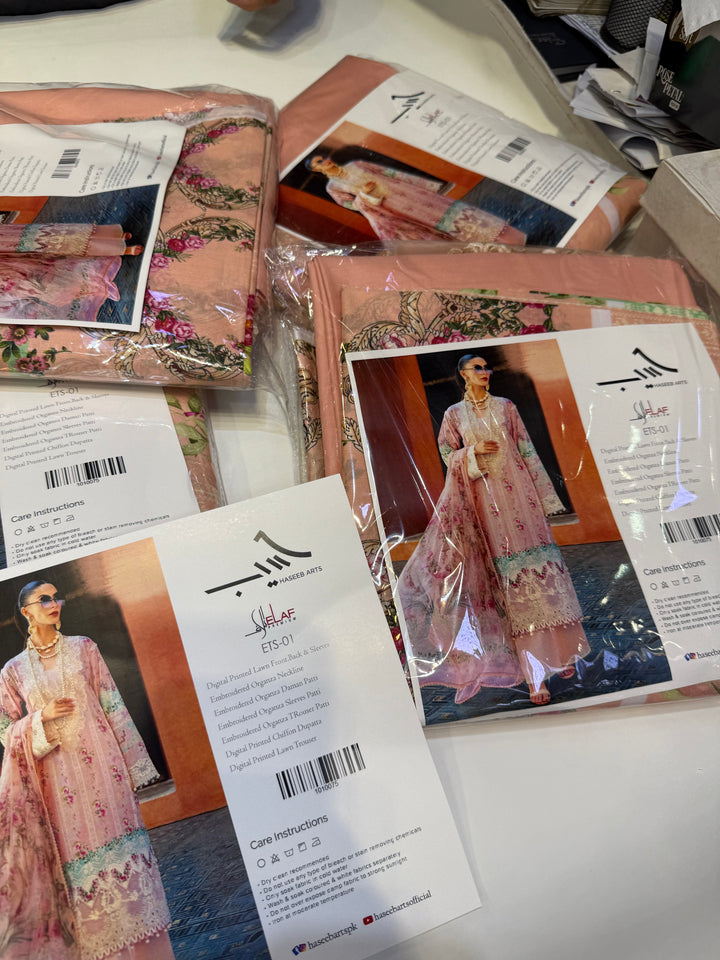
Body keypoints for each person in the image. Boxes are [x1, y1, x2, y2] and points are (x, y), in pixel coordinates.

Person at [398, 354, 589, 706]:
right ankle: (533, 673)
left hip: (521, 499)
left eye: (487, 367)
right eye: (477, 368)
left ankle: (561, 654)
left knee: (540, 575)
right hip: (483, 502)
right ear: (463, 375)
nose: (485, 372)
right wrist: (471, 452)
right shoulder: (454, 414)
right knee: (509, 582)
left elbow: (527, 449)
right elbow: (447, 452)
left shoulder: (506, 406)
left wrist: (544, 499)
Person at [0, 580, 175, 960]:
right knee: (79, 872)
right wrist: (40, 718)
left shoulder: (84, 647)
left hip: (105, 771)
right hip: (55, 783)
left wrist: (133, 768)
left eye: (56, 597)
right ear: (26, 612)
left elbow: (112, 704)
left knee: (125, 859)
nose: (54, 603)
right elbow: (3, 730)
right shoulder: (13, 671)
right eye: (44, 599)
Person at [307, 154, 527, 245]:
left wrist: (424, 187)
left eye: (323, 158)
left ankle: (507, 240)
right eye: (319, 162)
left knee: (452, 215)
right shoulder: (333, 187)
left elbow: (390, 173)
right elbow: (351, 205)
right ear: (316, 170)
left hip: (410, 195)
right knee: (435, 229)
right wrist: (364, 194)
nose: (325, 161)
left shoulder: (356, 165)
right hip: (392, 209)